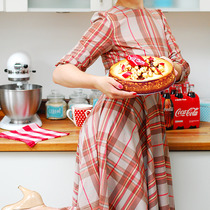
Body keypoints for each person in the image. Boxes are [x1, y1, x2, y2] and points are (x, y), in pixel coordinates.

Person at [3, 0, 190, 209]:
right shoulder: (109, 20)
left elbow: (181, 64)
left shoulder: (158, 17)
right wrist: (98, 82)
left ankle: (35, 206)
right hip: (118, 127)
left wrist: (172, 69)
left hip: (150, 123)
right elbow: (61, 71)